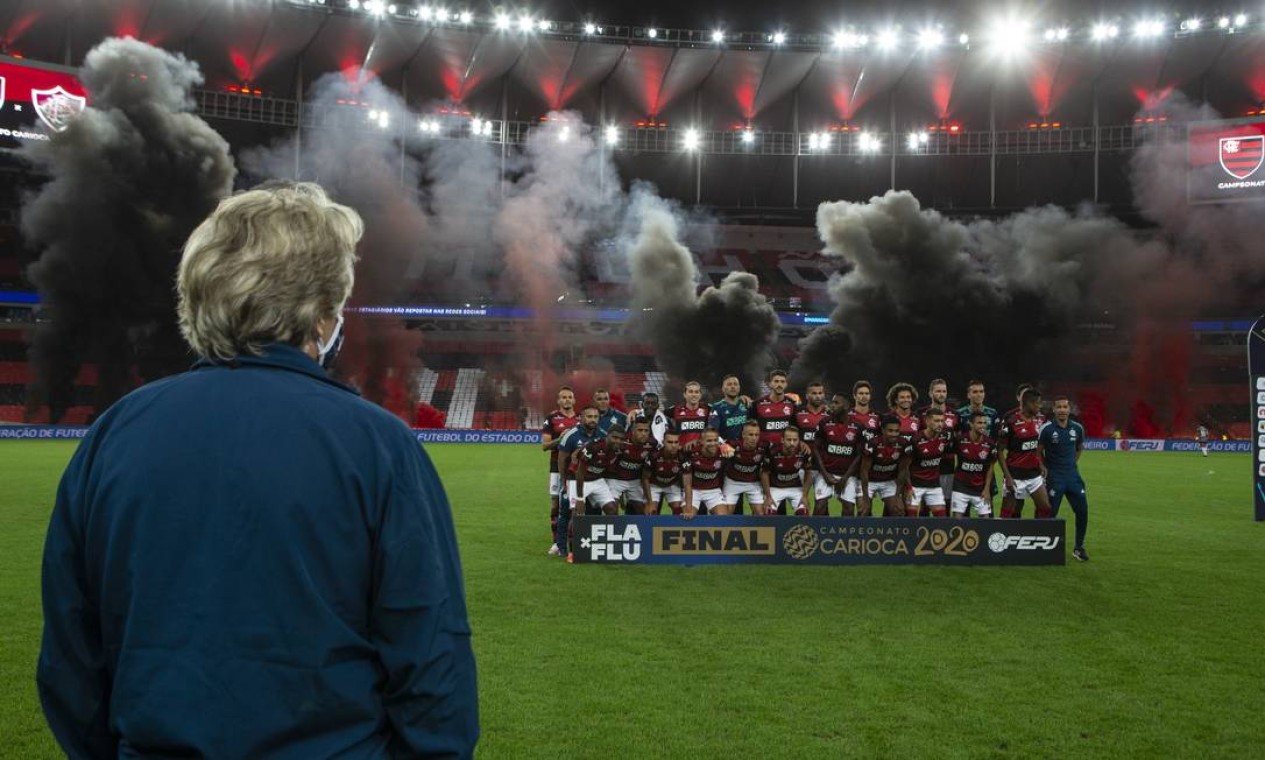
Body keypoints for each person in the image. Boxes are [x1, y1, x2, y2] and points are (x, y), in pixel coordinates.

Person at [37, 182, 478, 758]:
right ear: (323, 317)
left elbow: (72, 660)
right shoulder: (379, 446)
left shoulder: (113, 435)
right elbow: (431, 664)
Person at [1039, 396, 1090, 561]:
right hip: (1055, 476)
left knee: (1082, 511)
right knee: (1050, 513)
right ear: (1053, 409)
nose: (1062, 410)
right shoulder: (1046, 429)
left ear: (1069, 409)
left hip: (1073, 477)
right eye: (1058, 407)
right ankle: (1044, 548)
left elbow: (1079, 448)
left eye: (1064, 407)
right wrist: (1043, 466)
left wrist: (1072, 464)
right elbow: (1038, 451)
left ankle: (1079, 547)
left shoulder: (1077, 428)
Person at [998, 388, 1054, 519]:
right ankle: (1004, 537)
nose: (1040, 407)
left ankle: (1039, 537)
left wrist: (1040, 464)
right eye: (1038, 403)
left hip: (1033, 475)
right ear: (1028, 403)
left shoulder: (1040, 420)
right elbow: (1000, 451)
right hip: (1015, 475)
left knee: (1045, 508)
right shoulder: (1011, 422)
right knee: (1008, 513)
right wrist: (1008, 477)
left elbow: (1036, 447)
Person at [556, 405, 603, 558]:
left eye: (596, 417)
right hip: (572, 480)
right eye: (589, 417)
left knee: (594, 512)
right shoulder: (571, 435)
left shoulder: (601, 435)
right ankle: (562, 547)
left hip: (592, 480)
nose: (593, 420)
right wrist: (563, 482)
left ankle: (591, 546)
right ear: (581, 418)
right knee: (567, 512)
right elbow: (562, 460)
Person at [813, 393, 866, 516]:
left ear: (846, 406)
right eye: (832, 402)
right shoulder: (824, 423)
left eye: (837, 403)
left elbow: (859, 455)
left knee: (848, 508)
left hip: (848, 476)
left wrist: (845, 478)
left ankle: (844, 535)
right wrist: (825, 474)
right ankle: (817, 533)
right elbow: (815, 449)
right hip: (827, 473)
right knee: (820, 506)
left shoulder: (858, 426)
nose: (832, 405)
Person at [541, 386, 578, 556]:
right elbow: (544, 446)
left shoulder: (581, 418)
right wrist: (560, 439)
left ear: (574, 400)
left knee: (575, 504)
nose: (567, 400)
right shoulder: (551, 418)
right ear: (559, 400)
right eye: (563, 397)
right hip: (557, 466)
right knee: (556, 503)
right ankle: (556, 541)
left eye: (570, 397)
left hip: (578, 468)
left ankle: (573, 539)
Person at [859, 416, 912, 517]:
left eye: (896, 431)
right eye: (890, 431)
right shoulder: (873, 443)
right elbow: (864, 471)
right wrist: (866, 497)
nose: (894, 434)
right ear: (883, 430)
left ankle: (888, 532)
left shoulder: (904, 444)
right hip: (870, 481)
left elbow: (902, 470)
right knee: (863, 510)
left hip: (888, 481)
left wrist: (897, 495)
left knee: (898, 510)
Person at [918, 378, 960, 503]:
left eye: (944, 391)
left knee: (946, 502)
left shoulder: (954, 414)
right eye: (938, 391)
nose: (941, 394)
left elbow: (958, 439)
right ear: (930, 393)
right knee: (925, 505)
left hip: (947, 464)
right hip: (925, 465)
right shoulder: (920, 414)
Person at [952, 411, 998, 518]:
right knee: (957, 520)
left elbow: (990, 467)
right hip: (961, 487)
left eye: (984, 423)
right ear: (971, 424)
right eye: (979, 423)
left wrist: (987, 489)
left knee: (985, 520)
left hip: (980, 488)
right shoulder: (960, 441)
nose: (983, 426)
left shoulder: (990, 444)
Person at [573, 424, 625, 519]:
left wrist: (621, 496)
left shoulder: (619, 451)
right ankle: (570, 534)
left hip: (597, 480)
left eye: (621, 439)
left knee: (612, 510)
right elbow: (579, 473)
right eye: (615, 437)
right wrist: (579, 498)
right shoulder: (593, 447)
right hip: (578, 480)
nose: (618, 441)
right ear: (607, 435)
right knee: (576, 513)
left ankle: (610, 533)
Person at [795, 382, 831, 514]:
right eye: (814, 393)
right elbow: (790, 433)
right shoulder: (798, 413)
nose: (817, 396)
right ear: (807, 396)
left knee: (822, 504)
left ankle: (820, 532)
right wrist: (799, 442)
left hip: (823, 467)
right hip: (802, 466)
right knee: (800, 504)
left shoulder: (830, 414)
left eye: (820, 393)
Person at [908, 409, 952, 517]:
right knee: (910, 518)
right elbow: (905, 467)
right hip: (915, 485)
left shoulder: (945, 437)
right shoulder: (916, 440)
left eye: (942, 421)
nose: (940, 424)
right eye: (936, 421)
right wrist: (908, 488)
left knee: (942, 518)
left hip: (933, 485)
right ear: (927, 421)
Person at [721, 421, 771, 515]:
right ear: (743, 435)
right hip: (733, 482)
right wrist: (723, 449)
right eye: (751, 435)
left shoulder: (764, 446)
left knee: (761, 514)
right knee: (726, 515)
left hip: (753, 483)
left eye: (757, 435)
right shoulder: (733, 445)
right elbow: (717, 447)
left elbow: (781, 447)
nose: (754, 438)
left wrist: (802, 444)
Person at [608, 419, 656, 514]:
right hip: (616, 479)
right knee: (612, 509)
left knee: (643, 510)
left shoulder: (652, 444)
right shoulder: (622, 442)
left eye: (646, 431)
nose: (643, 434)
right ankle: (616, 528)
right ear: (633, 431)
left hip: (635, 480)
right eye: (640, 430)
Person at [765, 426, 814, 516]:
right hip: (776, 487)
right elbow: (764, 473)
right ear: (782, 440)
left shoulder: (804, 452)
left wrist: (805, 496)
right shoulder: (772, 452)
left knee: (804, 513)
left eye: (795, 440)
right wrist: (768, 496)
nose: (792, 443)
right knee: (769, 514)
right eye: (789, 440)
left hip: (795, 487)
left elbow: (809, 472)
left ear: (799, 440)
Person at [683, 429, 729, 516]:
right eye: (709, 441)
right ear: (701, 442)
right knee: (688, 517)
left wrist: (725, 446)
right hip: (694, 490)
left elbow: (738, 450)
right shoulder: (691, 453)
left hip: (713, 490)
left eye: (715, 440)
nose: (713, 443)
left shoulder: (724, 450)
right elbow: (687, 484)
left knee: (723, 518)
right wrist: (688, 508)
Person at [750, 369, 798, 447]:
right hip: (763, 450)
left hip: (785, 450)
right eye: (776, 381)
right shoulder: (757, 404)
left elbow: (796, 428)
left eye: (782, 382)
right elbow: (750, 427)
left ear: (786, 384)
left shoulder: (792, 404)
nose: (779, 384)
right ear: (770, 384)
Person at [643, 430, 687, 515]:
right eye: (670, 442)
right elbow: (645, 479)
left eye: (676, 442)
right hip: (654, 484)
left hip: (672, 484)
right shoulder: (654, 456)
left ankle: (673, 527)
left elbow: (687, 482)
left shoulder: (682, 457)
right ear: (663, 442)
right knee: (650, 511)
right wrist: (650, 502)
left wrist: (687, 504)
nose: (673, 445)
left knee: (679, 512)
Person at [708, 374, 751, 444]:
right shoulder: (717, 407)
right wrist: (723, 446)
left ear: (739, 387)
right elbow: (712, 432)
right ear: (723, 388)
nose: (733, 387)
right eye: (729, 384)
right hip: (727, 449)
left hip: (744, 448)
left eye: (735, 384)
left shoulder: (746, 404)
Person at [669, 380, 711, 447]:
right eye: (690, 392)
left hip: (701, 451)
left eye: (696, 392)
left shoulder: (708, 409)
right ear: (684, 394)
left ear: (700, 395)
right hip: (681, 451)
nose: (694, 395)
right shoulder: (675, 410)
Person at [850, 380, 881, 444]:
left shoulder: (878, 416)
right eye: (861, 393)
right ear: (854, 396)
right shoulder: (847, 415)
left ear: (870, 396)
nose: (864, 396)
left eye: (867, 393)